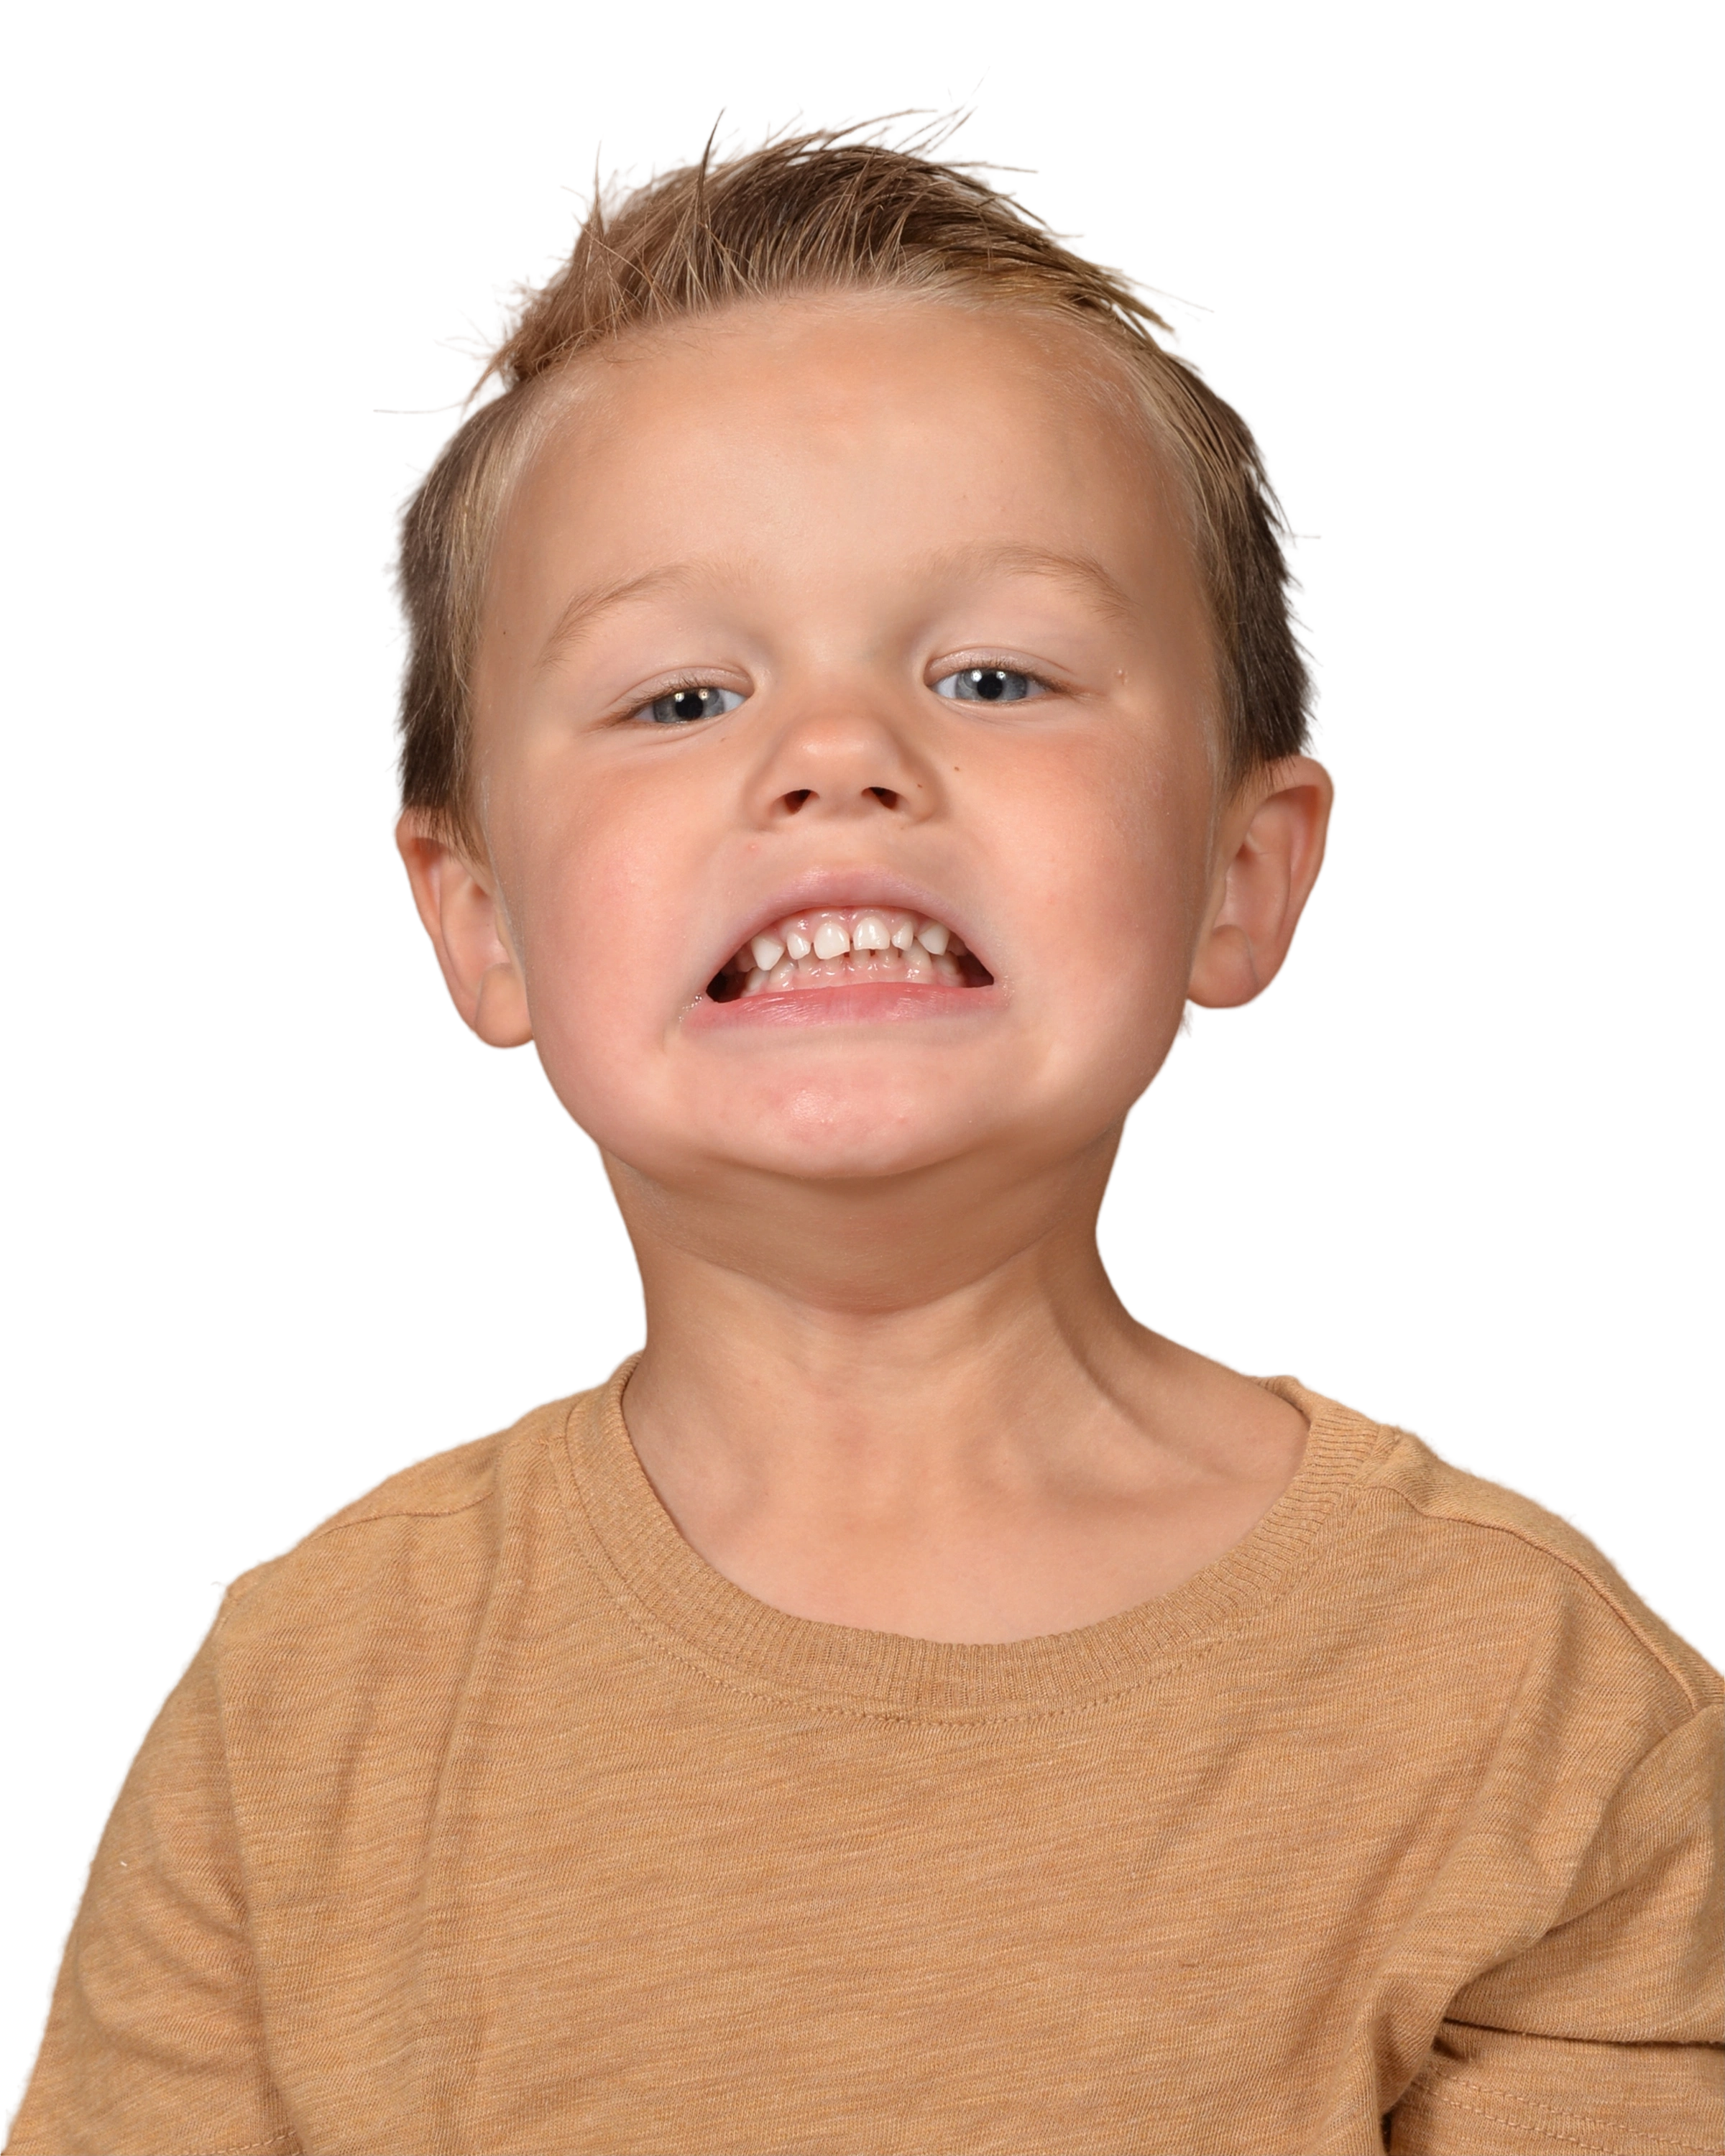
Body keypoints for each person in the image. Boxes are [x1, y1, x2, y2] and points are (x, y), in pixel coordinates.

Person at [7, 102, 1719, 2156]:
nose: (836, 756)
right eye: (678, 698)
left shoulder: (1530, 1700)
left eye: (994, 674)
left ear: (1242, 874)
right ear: (477, 918)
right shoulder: (305, 1706)